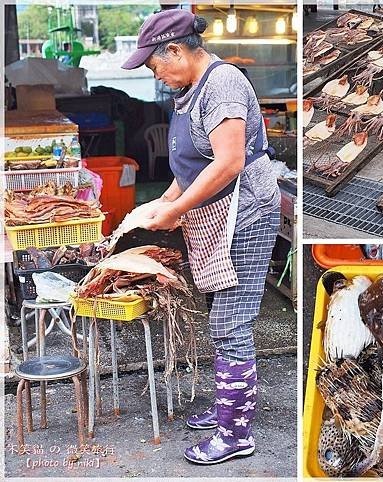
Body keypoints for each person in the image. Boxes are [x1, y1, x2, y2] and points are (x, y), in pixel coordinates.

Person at [121, 9, 281, 465]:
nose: (159, 77)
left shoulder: (223, 84)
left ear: (175, 49)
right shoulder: (189, 90)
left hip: (244, 214)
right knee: (222, 318)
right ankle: (230, 406)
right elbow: (191, 168)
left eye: (156, 67)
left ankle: (236, 434)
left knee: (231, 324)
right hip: (215, 214)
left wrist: (174, 211)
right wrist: (159, 204)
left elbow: (228, 162)